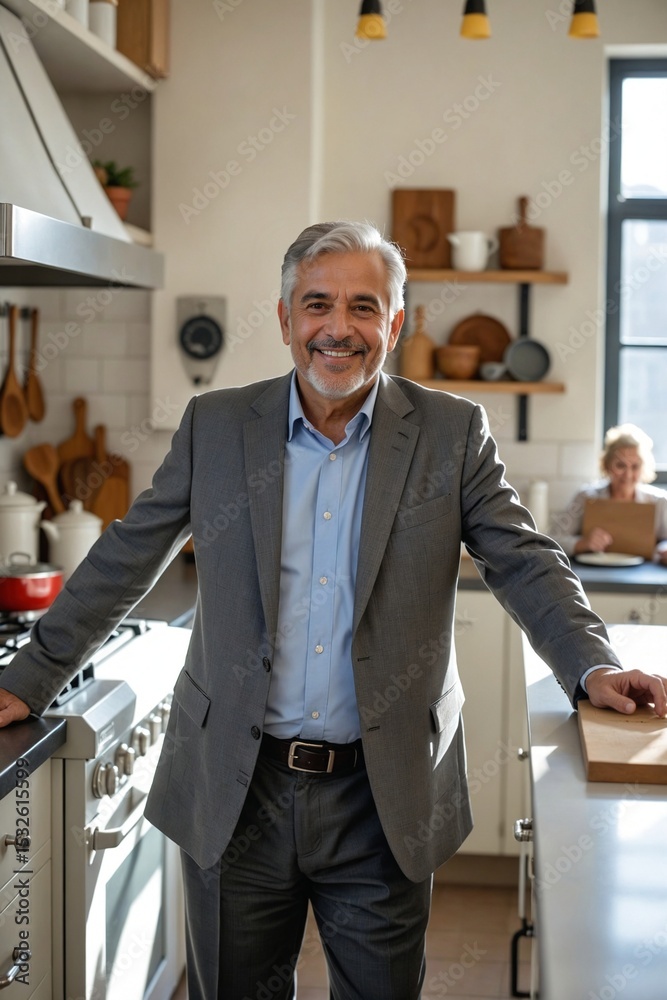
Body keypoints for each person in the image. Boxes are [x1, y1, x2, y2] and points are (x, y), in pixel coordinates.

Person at [0, 221, 665, 1000]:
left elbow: (522, 559)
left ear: (395, 322)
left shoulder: (450, 434)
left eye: (363, 306)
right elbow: (126, 556)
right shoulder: (217, 427)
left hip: (381, 797)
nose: (337, 328)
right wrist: (33, 673)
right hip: (235, 790)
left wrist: (595, 663)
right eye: (317, 304)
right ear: (285, 320)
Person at [554, 423, 667, 565]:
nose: (628, 474)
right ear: (607, 465)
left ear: (643, 468)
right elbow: (553, 538)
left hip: (645, 576)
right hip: (593, 571)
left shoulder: (660, 501)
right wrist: (582, 544)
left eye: (635, 466)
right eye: (620, 465)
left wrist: (663, 549)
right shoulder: (586, 497)